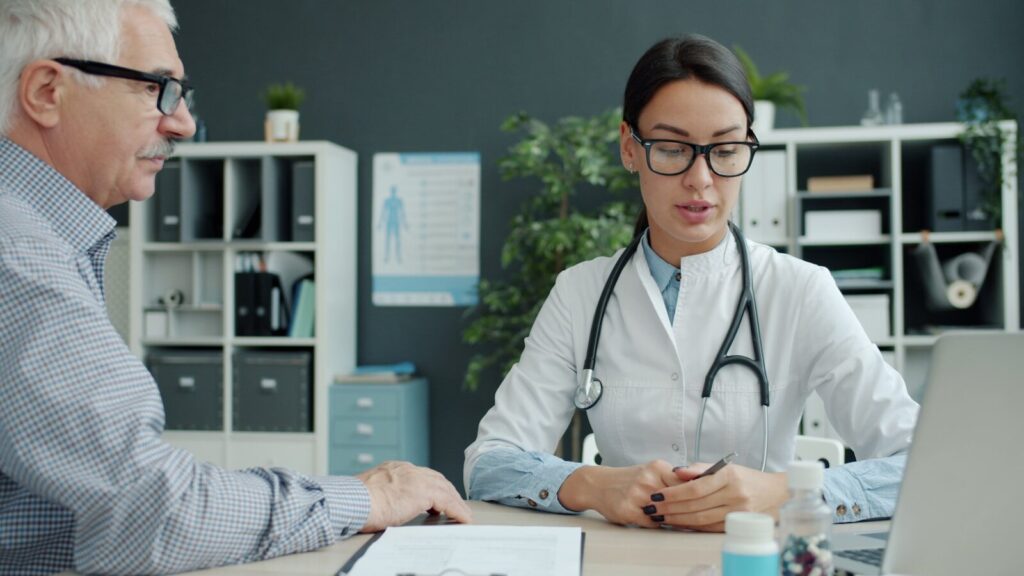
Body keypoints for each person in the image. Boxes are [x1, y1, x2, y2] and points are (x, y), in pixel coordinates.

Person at [0, 1, 470, 574]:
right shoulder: (17, 251)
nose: (183, 124)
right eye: (159, 90)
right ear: (47, 90)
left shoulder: (38, 237)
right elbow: (153, 512)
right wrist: (369, 498)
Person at [464, 35, 918, 533]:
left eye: (725, 150)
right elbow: (489, 463)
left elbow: (921, 460)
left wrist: (785, 492)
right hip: (625, 563)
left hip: (757, 558)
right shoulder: (579, 294)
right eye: (673, 148)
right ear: (629, 148)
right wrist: (592, 484)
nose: (701, 178)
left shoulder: (801, 290)